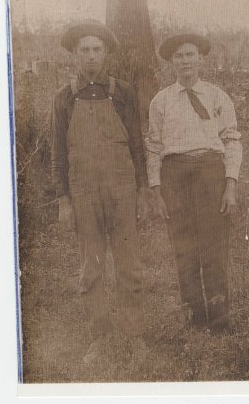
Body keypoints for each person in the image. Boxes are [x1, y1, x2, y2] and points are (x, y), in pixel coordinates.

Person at [51, 19, 149, 366]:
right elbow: (58, 154)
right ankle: (100, 338)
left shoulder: (123, 92)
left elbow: (137, 145)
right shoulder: (63, 98)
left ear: (105, 54)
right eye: (84, 51)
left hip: (121, 188)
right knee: (91, 266)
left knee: (128, 264)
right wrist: (64, 200)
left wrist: (141, 192)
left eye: (97, 49)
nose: (91, 56)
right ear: (75, 56)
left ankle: (133, 335)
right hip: (83, 192)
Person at [145, 34, 242, 333]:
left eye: (190, 55)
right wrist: (157, 191)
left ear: (200, 58)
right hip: (175, 176)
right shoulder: (160, 101)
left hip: (210, 172)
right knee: (184, 249)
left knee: (214, 247)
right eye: (179, 56)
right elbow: (154, 148)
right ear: (171, 62)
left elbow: (232, 141)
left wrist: (230, 185)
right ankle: (195, 320)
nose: (185, 61)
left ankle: (220, 320)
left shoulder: (217, 96)